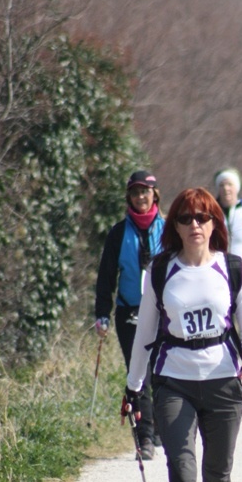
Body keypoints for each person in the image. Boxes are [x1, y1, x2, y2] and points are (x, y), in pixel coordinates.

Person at [124, 188, 242, 482]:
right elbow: (144, 335)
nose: (195, 225)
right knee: (181, 469)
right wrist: (133, 388)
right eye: (186, 218)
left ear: (215, 223)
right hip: (174, 382)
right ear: (176, 226)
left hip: (223, 382)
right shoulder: (161, 270)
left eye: (203, 217)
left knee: (217, 474)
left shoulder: (232, 268)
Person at [95, 169, 165, 459]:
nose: (140, 197)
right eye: (135, 192)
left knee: (161, 371)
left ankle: (161, 427)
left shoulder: (169, 228)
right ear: (129, 197)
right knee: (138, 374)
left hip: (162, 310)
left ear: (154, 194)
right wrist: (102, 313)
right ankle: (144, 438)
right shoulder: (118, 233)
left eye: (145, 191)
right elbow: (106, 275)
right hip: (129, 311)